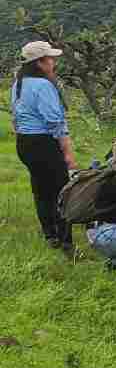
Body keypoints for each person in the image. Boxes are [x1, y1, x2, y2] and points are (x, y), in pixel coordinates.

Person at [11, 41, 77, 253]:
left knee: (40, 189)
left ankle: (50, 234)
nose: (54, 62)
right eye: (50, 58)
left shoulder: (18, 84)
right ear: (40, 63)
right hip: (44, 142)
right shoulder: (44, 86)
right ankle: (66, 241)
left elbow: (16, 116)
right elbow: (54, 122)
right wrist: (67, 152)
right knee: (61, 190)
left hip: (25, 142)